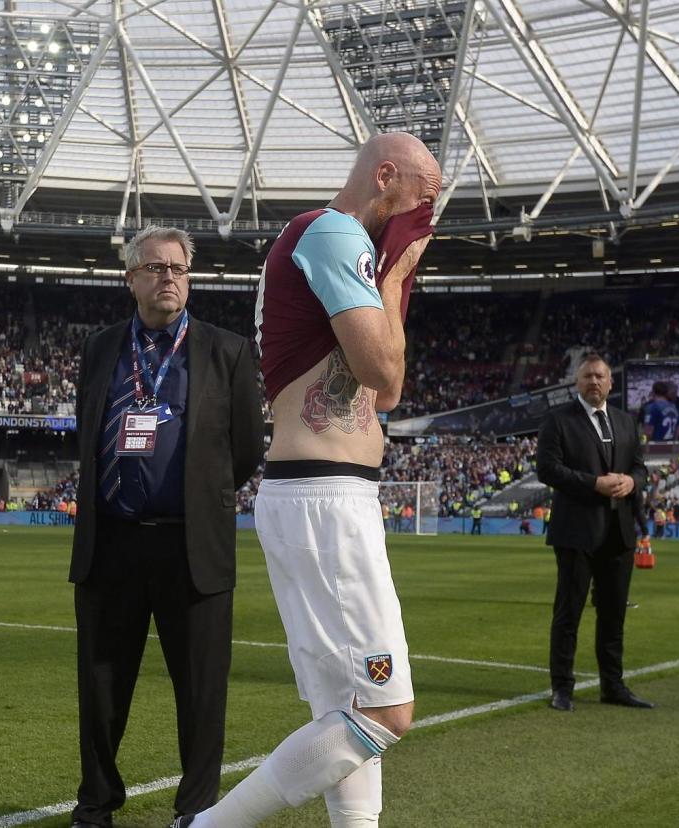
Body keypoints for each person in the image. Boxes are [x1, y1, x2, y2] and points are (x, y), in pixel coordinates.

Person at [181, 133, 440, 828]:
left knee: (346, 709)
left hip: (316, 493)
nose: (425, 220)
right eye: (422, 199)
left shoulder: (330, 241)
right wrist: (393, 277)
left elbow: (383, 395)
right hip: (325, 499)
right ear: (386, 176)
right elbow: (384, 375)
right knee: (386, 711)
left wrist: (393, 280)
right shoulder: (331, 234)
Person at [69, 225, 265, 827]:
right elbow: (87, 436)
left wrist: (196, 496)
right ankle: (96, 806)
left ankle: (195, 811)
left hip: (191, 546)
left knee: (201, 693)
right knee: (101, 692)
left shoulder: (226, 351)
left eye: (179, 269)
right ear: (131, 278)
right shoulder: (101, 349)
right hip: (113, 545)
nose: (169, 279)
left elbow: (246, 451)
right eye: (155, 268)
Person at [537, 354, 652, 713]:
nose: (594, 381)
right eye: (588, 376)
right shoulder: (558, 421)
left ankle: (613, 685)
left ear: (610, 383)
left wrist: (632, 481)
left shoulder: (625, 421)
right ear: (577, 382)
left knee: (614, 612)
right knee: (568, 612)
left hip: (619, 532)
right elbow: (548, 469)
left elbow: (640, 467)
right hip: (576, 532)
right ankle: (562, 687)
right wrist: (595, 484)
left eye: (600, 376)